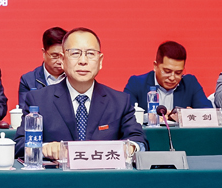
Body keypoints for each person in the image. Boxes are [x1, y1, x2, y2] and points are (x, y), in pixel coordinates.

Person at [15, 27, 146, 160]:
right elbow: (20, 145)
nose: (83, 61)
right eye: (75, 53)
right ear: (62, 59)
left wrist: (130, 148)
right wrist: (44, 148)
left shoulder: (119, 102)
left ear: (100, 61)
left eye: (90, 54)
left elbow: (139, 141)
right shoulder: (39, 100)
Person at [124, 41, 211, 120]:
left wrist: (191, 116)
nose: (172, 78)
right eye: (167, 71)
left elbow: (209, 114)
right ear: (155, 66)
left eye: (178, 73)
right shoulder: (136, 83)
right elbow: (125, 116)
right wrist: (149, 118)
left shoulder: (190, 83)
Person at [18, 27, 67, 107]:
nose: (59, 61)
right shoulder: (28, 80)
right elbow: (25, 111)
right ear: (44, 53)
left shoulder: (75, 77)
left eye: (63, 56)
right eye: (55, 56)